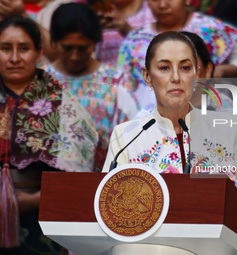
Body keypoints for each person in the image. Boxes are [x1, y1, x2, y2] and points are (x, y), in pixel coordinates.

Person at [104, 31, 237, 245]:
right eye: (164, 68)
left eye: (185, 68)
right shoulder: (127, 136)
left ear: (196, 73)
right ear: (147, 76)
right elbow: (110, 203)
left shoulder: (228, 128)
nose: (176, 77)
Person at [0, 15, 98, 255]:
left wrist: (32, 200)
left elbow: (82, 167)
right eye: (5, 49)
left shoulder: (60, 101)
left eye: (24, 48)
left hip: (44, 218)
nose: (14, 58)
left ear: (39, 52)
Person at [44, 2, 137, 171]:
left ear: (95, 43)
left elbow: (134, 137)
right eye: (67, 48)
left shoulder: (115, 83)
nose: (74, 56)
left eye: (82, 48)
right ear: (54, 42)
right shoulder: (41, 81)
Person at [117, 0, 237, 109]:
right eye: (155, 0)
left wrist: (221, 70)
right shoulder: (134, 40)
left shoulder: (211, 29)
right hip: (150, 118)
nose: (162, 5)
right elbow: (124, 84)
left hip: (204, 110)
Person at [91, 0, 155, 66]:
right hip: (106, 73)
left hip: (142, 72)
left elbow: (160, 50)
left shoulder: (155, 8)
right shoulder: (97, 8)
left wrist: (128, 31)